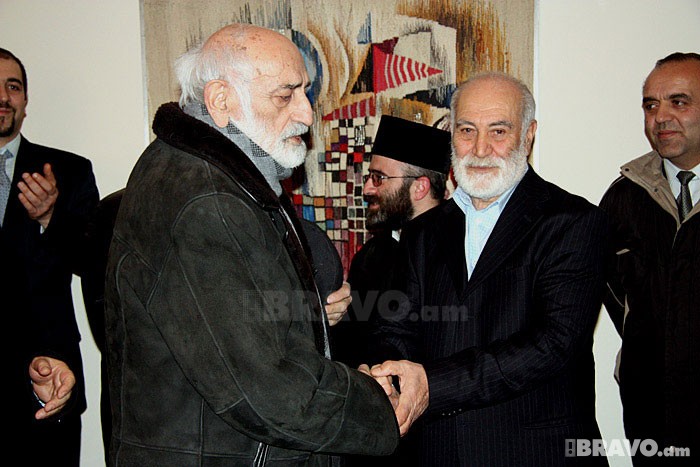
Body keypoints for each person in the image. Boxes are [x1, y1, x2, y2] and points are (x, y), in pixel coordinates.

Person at [104, 23, 399, 465]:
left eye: (304, 92)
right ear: (221, 101)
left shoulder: (206, 173)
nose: (306, 114)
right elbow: (268, 390)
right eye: (285, 96)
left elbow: (233, 329)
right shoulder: (209, 202)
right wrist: (378, 408)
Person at [371, 72, 609, 466]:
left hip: (535, 454)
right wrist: (387, 375)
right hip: (435, 452)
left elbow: (553, 344)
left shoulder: (573, 223)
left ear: (528, 135)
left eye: (498, 131)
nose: (480, 148)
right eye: (467, 130)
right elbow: (395, 327)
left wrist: (432, 385)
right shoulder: (422, 232)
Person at [599, 52, 700, 463]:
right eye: (651, 105)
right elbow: (611, 290)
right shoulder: (624, 199)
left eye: (679, 102)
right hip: (651, 419)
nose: (660, 117)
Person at [1, 48, 99, 464]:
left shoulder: (68, 170)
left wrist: (50, 217)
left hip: (47, 379)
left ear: (25, 100)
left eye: (13, 86)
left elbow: (93, 260)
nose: (3, 97)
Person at [332, 115, 451, 369]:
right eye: (369, 177)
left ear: (419, 188)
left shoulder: (457, 253)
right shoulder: (371, 254)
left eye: (379, 178)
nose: (367, 189)